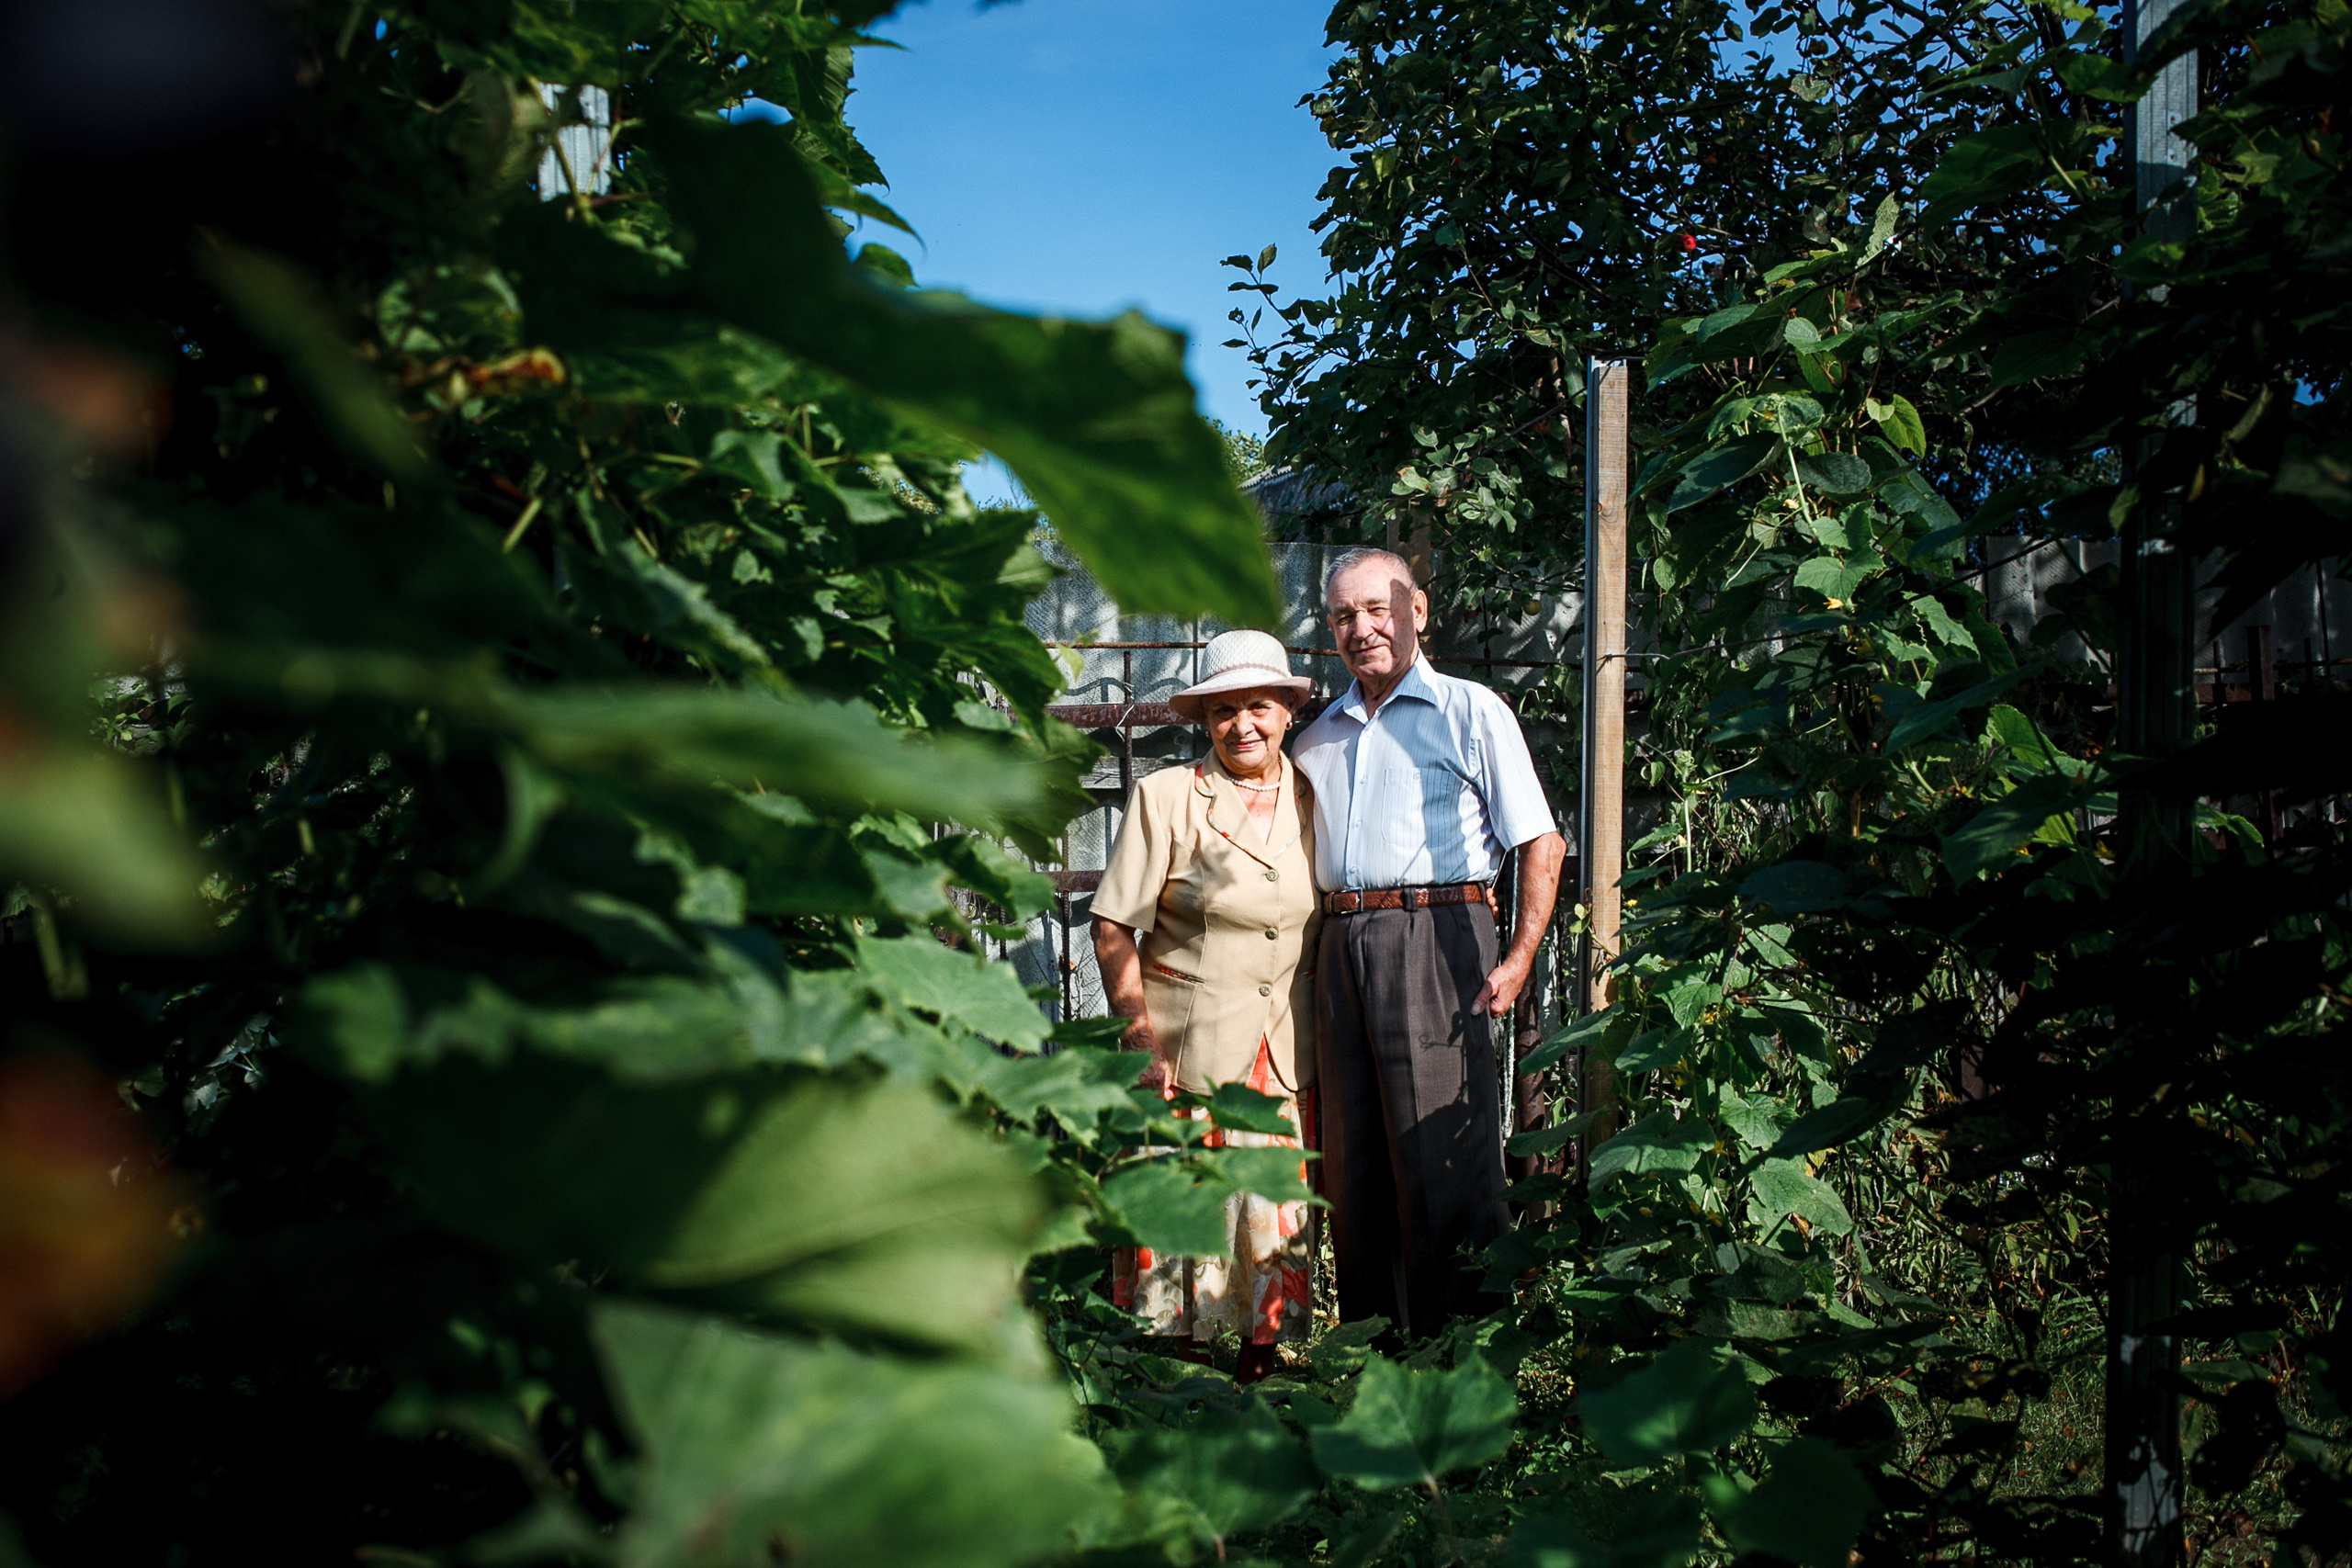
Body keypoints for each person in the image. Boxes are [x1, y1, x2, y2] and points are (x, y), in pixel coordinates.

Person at [1293, 547, 1566, 1338]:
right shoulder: (1316, 741)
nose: (1360, 628)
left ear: (1417, 610)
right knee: (1354, 1161)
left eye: (1377, 608)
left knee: (1442, 1150)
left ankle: (1463, 1352)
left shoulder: (1472, 711)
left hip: (1438, 934)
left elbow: (1540, 841)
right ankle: (1373, 1351)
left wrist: (1517, 957)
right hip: (1340, 944)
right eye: (1343, 616)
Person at [1091, 628, 1322, 1384]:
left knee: (1270, 1223)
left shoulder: (1314, 795)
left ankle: (1264, 1379)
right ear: (1205, 721)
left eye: (1259, 705)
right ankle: (1176, 1387)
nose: (1242, 725)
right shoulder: (1167, 798)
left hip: (1278, 1054)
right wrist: (1137, 1035)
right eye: (1224, 711)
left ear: (1288, 709)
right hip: (1186, 1060)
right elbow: (1111, 924)